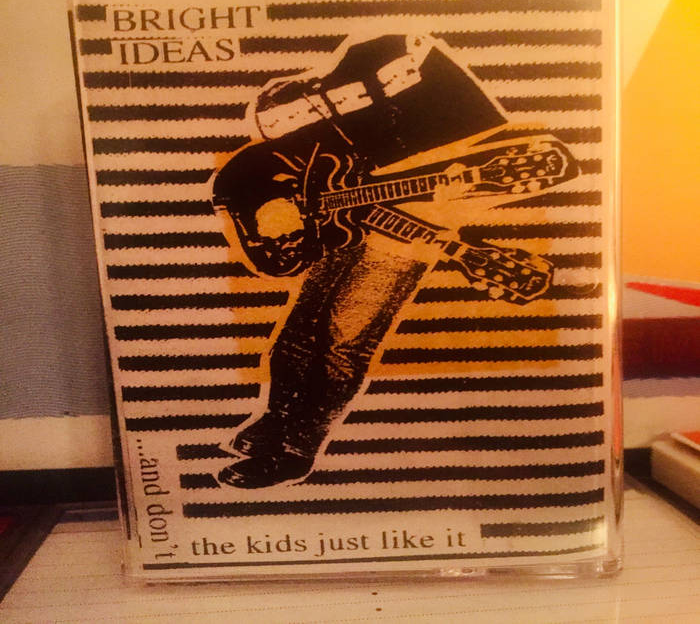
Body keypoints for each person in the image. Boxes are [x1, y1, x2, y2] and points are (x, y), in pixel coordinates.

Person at [211, 34, 575, 488]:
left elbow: (455, 171)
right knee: (299, 330)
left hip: (408, 222)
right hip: (349, 208)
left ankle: (296, 451)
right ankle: (276, 418)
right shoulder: (364, 71)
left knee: (344, 340)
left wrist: (456, 233)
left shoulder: (439, 104)